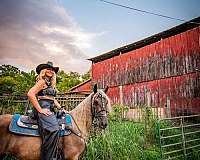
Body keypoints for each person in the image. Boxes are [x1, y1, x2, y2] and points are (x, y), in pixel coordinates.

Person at [27, 61, 64, 160]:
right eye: (49, 69)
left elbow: (52, 99)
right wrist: (40, 110)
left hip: (50, 108)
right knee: (54, 129)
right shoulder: (42, 81)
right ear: (43, 71)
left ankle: (56, 151)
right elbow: (30, 94)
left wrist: (61, 108)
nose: (51, 71)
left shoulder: (49, 84)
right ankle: (49, 157)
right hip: (44, 108)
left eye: (52, 70)